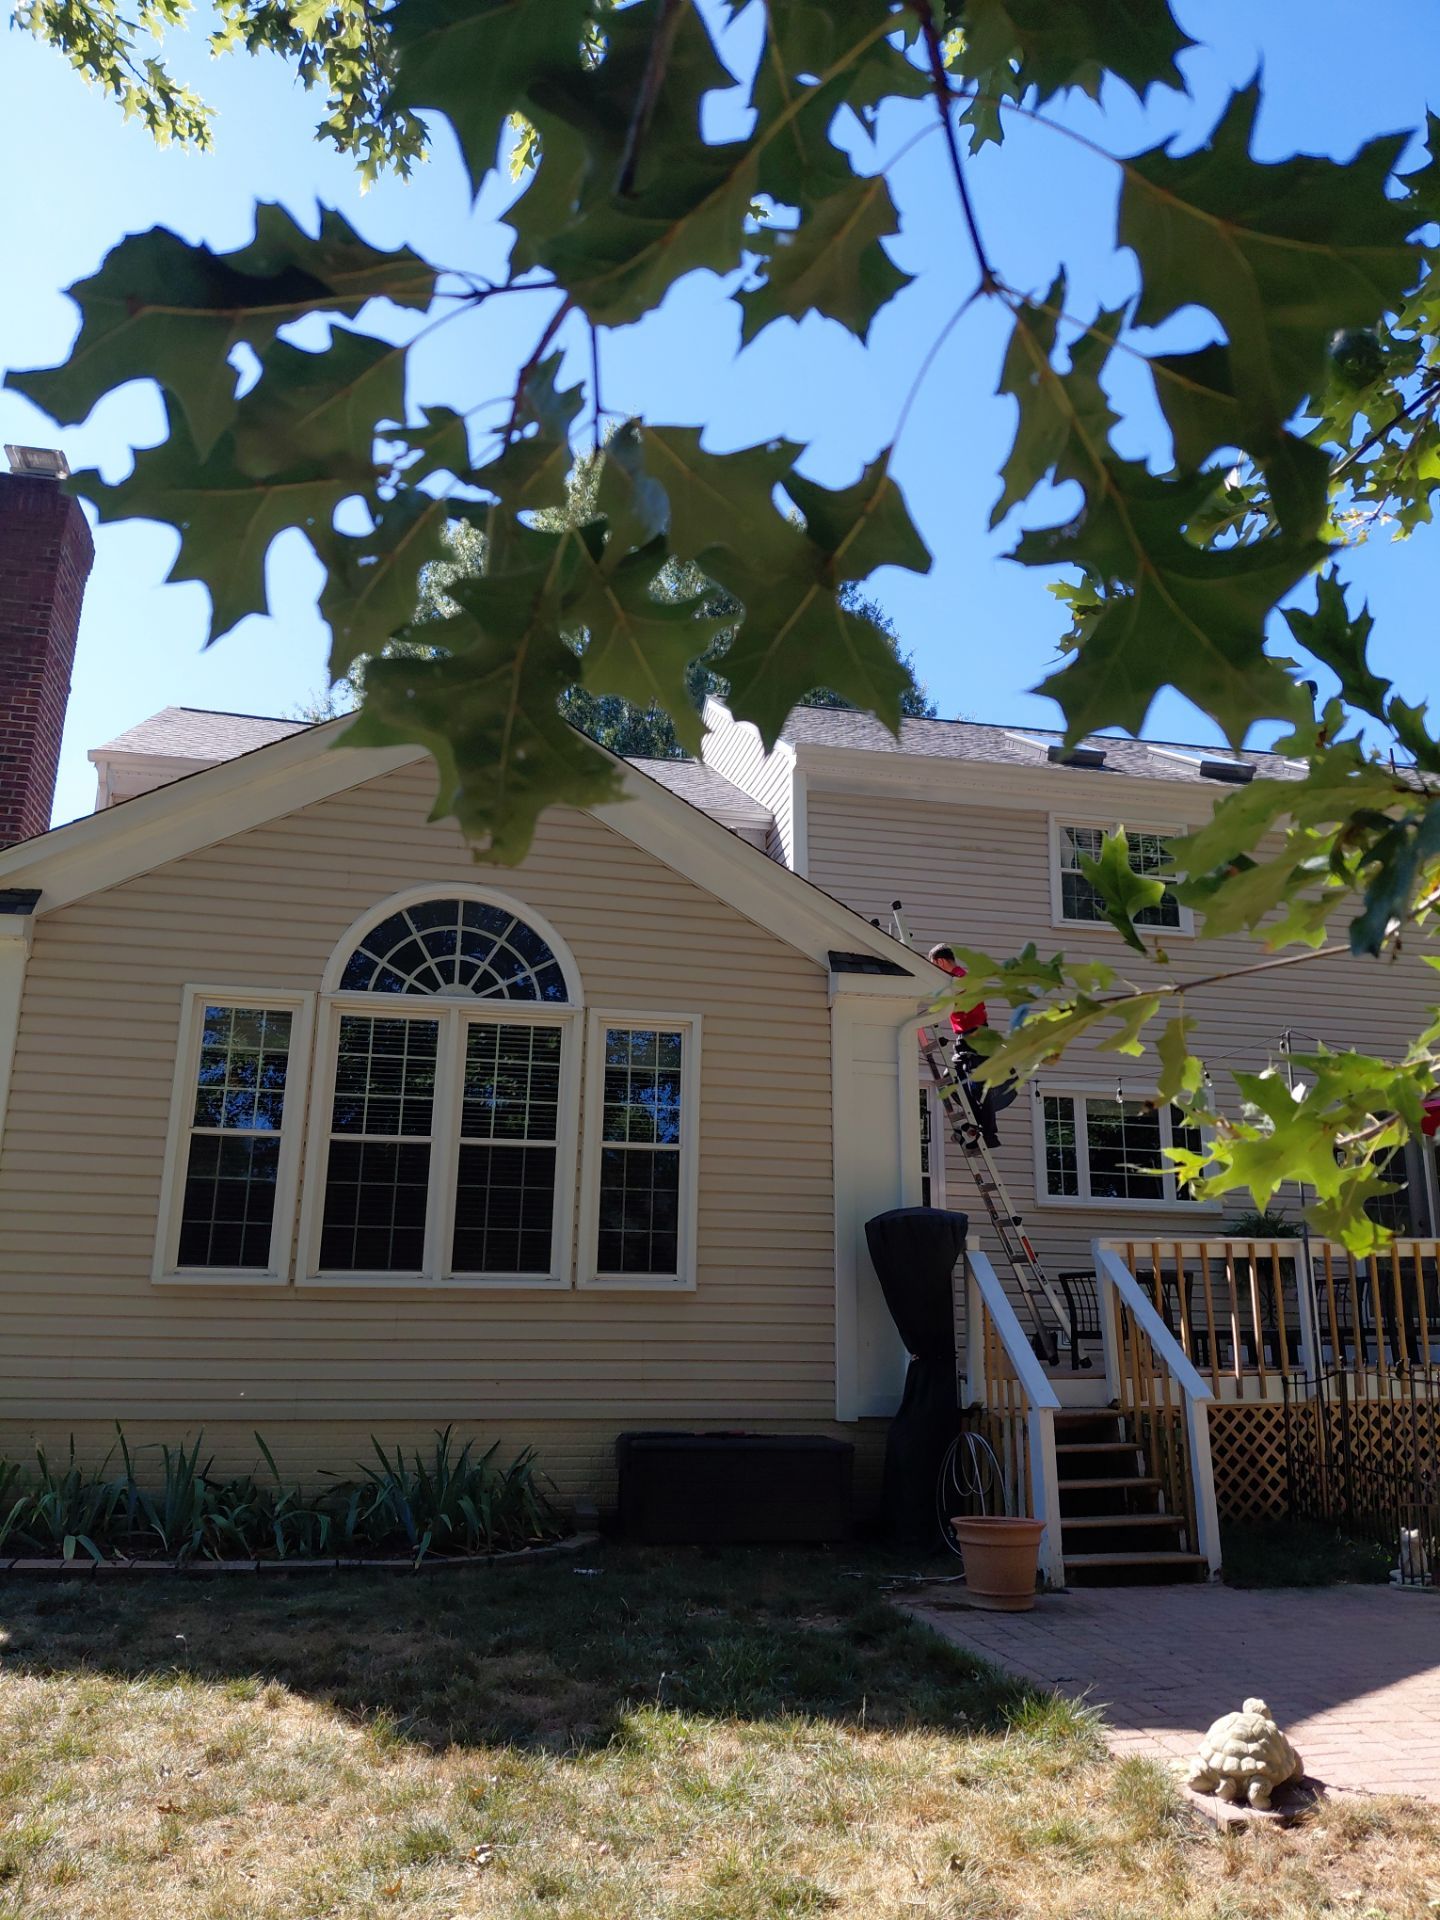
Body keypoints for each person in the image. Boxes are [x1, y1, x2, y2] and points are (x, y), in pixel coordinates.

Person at [926, 942, 1015, 1149]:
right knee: (955, 1080)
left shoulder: (960, 979)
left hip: (975, 1035)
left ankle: (989, 1135)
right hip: (967, 1036)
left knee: (977, 1086)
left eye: (934, 966)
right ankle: (978, 1129)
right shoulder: (958, 979)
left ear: (940, 962)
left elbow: (945, 997)